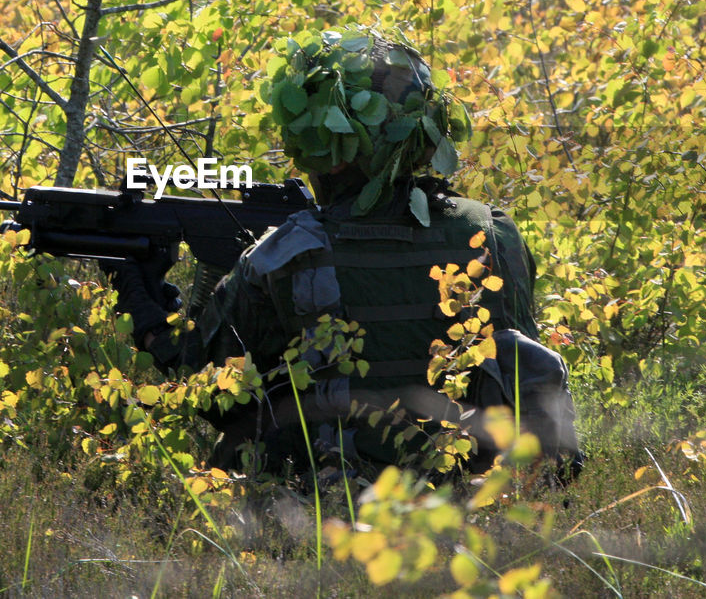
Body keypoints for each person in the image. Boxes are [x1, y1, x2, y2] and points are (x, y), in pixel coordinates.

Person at [105, 29, 581, 480]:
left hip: (328, 505)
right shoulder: (493, 233)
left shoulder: (285, 255)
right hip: (480, 497)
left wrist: (142, 303)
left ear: (325, 147)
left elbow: (207, 393)